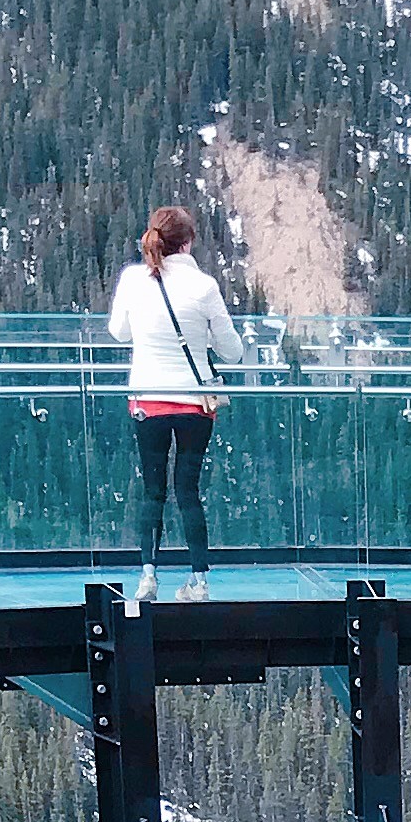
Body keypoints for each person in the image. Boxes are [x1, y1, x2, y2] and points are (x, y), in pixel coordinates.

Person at [105, 204, 236, 607]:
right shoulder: (204, 287)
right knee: (188, 491)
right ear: (189, 241)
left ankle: (148, 577)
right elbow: (232, 350)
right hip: (195, 403)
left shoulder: (132, 280)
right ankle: (199, 581)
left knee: (152, 491)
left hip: (148, 399)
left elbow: (118, 332)